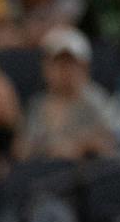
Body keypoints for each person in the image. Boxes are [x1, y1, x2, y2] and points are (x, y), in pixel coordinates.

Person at [23, 28, 115, 160]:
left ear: (84, 67)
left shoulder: (96, 101)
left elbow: (110, 144)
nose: (65, 71)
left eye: (71, 64)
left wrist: (81, 145)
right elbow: (23, 148)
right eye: (58, 64)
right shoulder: (37, 104)